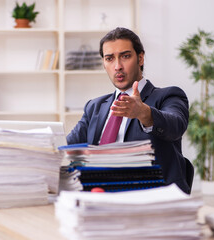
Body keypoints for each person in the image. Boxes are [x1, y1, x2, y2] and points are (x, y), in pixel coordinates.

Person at [67, 27, 191, 194]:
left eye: (125, 56)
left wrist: (144, 113)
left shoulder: (168, 96)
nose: (117, 66)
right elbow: (68, 146)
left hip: (151, 196)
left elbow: (175, 126)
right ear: (104, 64)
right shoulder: (94, 107)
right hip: (99, 196)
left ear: (140, 58)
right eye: (109, 58)